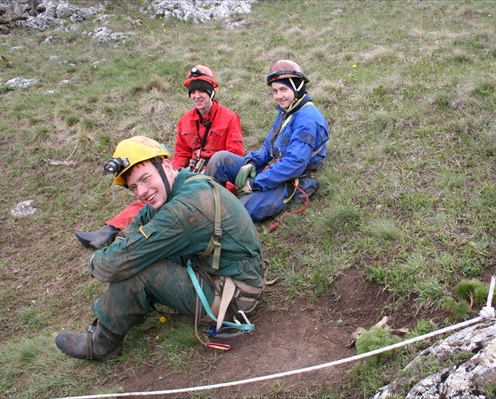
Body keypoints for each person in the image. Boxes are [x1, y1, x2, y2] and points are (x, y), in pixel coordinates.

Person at [56, 136, 265, 361]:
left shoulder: (184, 209)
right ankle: (117, 312)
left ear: (166, 166)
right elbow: (141, 219)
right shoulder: (183, 183)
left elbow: (115, 264)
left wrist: (97, 261)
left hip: (234, 298)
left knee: (140, 266)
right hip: (223, 275)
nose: (142, 191)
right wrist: (122, 244)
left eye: (145, 179)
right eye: (134, 187)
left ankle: (103, 343)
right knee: (133, 254)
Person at [74, 65, 245, 249]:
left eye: (201, 91)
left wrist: (226, 192)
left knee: (172, 206)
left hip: (213, 179)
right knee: (152, 194)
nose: (196, 96)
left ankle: (131, 239)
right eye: (192, 91)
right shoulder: (185, 120)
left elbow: (232, 157)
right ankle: (109, 231)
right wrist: (171, 174)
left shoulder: (229, 118)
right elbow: (181, 153)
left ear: (211, 92)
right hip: (189, 173)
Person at [204, 60, 329, 222]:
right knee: (220, 159)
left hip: (290, 180)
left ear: (297, 87)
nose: (278, 96)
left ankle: (211, 219)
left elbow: (295, 164)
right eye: (275, 91)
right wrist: (252, 163)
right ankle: (204, 204)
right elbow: (269, 146)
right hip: (273, 170)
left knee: (235, 213)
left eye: (283, 89)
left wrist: (256, 183)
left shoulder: (308, 119)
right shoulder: (287, 110)